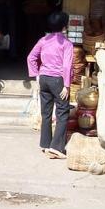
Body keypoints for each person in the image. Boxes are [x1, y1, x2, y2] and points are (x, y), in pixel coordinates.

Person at [27, 11, 73, 159]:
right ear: (64, 27)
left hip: (44, 79)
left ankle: (45, 144)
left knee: (46, 113)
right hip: (58, 80)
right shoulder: (66, 44)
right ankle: (56, 148)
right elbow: (67, 66)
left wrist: (36, 76)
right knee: (62, 112)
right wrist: (66, 85)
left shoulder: (43, 40)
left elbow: (31, 57)